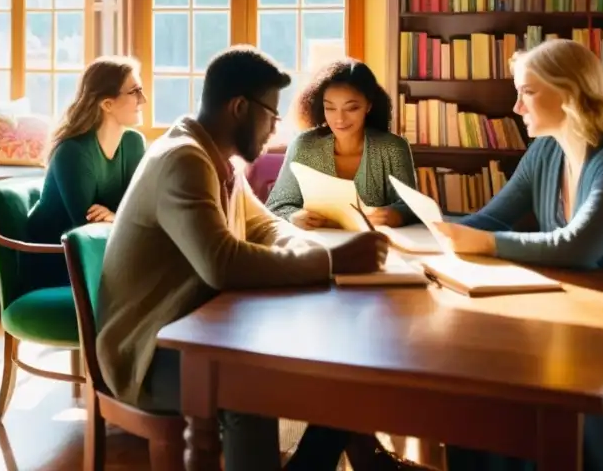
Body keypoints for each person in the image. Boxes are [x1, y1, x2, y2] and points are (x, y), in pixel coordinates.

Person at [95, 45, 410, 471]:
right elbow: (221, 264)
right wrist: (333, 264)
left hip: (200, 328)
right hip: (147, 354)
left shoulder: (214, 158)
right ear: (240, 108)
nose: (274, 129)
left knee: (334, 374)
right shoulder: (183, 159)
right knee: (250, 393)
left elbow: (267, 227)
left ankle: (358, 458)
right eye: (271, 115)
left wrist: (318, 252)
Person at [433, 39, 603, 471]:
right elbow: (491, 219)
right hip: (579, 300)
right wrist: (418, 221)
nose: (516, 107)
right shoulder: (547, 149)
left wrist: (480, 243)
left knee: (522, 371)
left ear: (571, 93)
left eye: (528, 92)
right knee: (478, 360)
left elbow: (578, 245)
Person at [23, 56, 147, 289]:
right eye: (134, 92)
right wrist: (121, 217)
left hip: (104, 257)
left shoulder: (134, 143)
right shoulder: (73, 152)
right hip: (58, 263)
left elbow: (142, 210)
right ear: (107, 104)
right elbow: (86, 228)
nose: (143, 100)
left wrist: (114, 217)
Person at [266, 58, 418, 229]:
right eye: (330, 108)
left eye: (351, 108)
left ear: (368, 105)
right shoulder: (303, 145)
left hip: (374, 247)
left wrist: (396, 215)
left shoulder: (393, 148)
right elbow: (276, 206)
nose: (339, 119)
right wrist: (293, 216)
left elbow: (412, 206)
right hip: (317, 248)